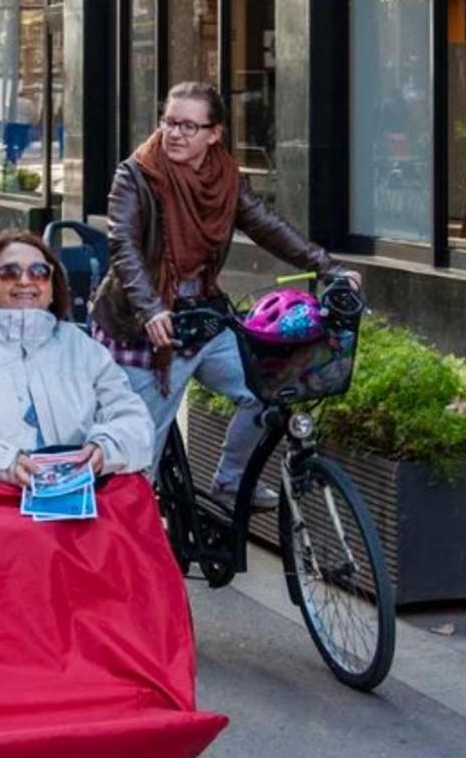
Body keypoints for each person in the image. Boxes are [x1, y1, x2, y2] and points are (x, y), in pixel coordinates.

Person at [92, 81, 359, 508]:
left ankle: (231, 482)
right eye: (169, 122)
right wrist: (151, 308)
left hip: (204, 316)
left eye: (188, 126)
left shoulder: (226, 178)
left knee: (267, 392)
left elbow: (267, 226)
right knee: (138, 453)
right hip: (141, 327)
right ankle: (133, 534)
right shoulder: (136, 175)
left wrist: (329, 268)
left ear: (214, 133)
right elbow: (123, 246)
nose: (174, 133)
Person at [0, 230, 153, 485]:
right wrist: (6, 463)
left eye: (39, 272)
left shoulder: (83, 348)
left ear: (52, 287)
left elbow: (132, 418)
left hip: (80, 493)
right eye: (9, 272)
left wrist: (105, 448)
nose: (24, 281)